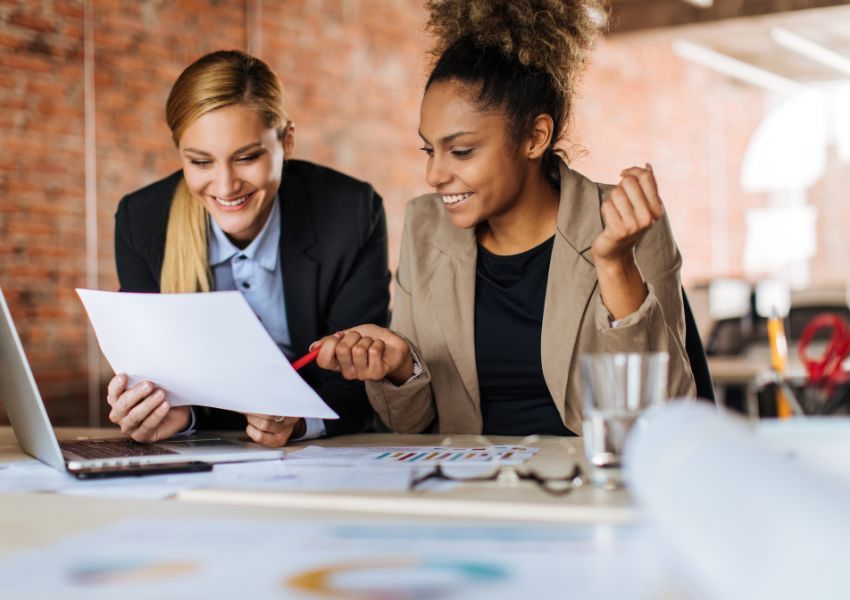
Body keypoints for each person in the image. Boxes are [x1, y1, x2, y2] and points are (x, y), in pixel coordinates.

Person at [313, 0, 695, 436]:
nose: (434, 175)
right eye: (429, 150)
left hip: (587, 490)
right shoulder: (425, 226)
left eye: (461, 151)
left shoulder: (624, 225)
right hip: (470, 491)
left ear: (535, 137)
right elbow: (407, 425)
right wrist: (401, 367)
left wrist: (615, 265)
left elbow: (662, 415)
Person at [106, 50, 390, 447]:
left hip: (321, 450)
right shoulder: (141, 221)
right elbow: (160, 377)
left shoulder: (350, 213)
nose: (224, 187)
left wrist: (300, 423)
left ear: (287, 141)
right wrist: (166, 412)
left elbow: (361, 377)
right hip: (209, 451)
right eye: (201, 162)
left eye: (247, 157)